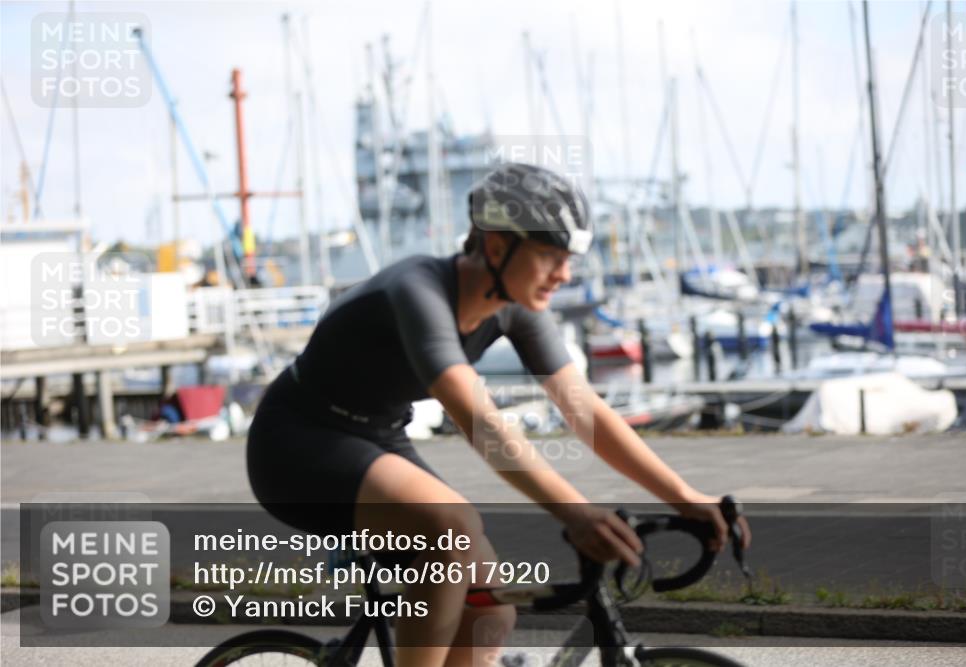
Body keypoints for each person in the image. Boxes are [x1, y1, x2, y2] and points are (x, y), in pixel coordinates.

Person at [246, 162, 751, 667]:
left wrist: (685, 498)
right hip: (296, 444)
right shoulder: (418, 291)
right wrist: (576, 514)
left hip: (376, 436)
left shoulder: (516, 307)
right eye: (550, 255)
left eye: (568, 259)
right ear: (495, 247)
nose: (564, 274)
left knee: (490, 608)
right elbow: (481, 423)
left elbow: (585, 412)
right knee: (453, 527)